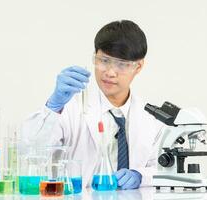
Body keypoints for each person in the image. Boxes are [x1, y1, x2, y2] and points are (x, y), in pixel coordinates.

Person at [21, 20, 162, 190]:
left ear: (138, 66)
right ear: (95, 56)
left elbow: (163, 171)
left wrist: (141, 176)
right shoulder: (70, 107)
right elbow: (31, 153)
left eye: (121, 64)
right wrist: (53, 106)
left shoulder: (150, 118)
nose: (110, 72)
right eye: (104, 60)